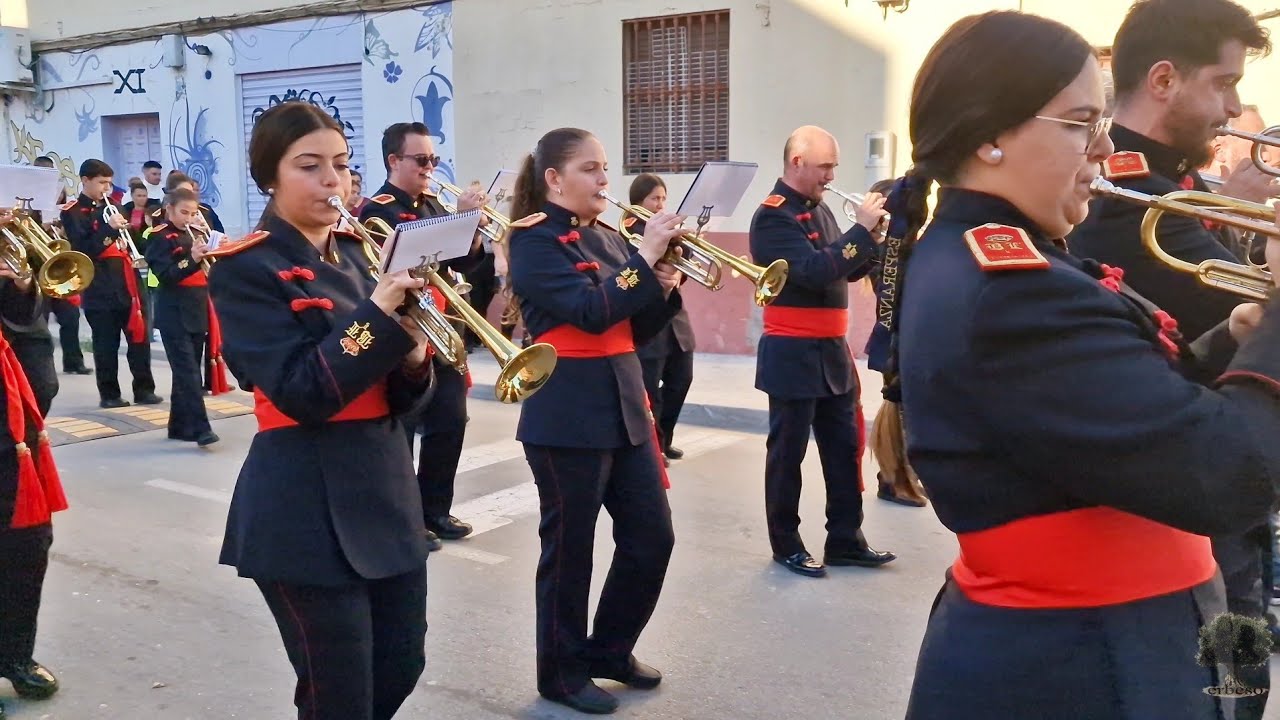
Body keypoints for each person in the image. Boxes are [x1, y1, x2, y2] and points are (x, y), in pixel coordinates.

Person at [886, 10, 1280, 719]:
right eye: (1079, 122)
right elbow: (1228, 478)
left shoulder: (1020, 264)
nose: (1103, 147)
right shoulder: (1012, 292)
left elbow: (1137, 395)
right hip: (1082, 662)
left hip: (1102, 642)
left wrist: (1238, 334)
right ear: (989, 135)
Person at [1067, 3, 1274, 713]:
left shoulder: (1174, 192)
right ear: (1163, 80)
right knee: (1232, 690)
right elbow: (1237, 322)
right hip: (1191, 500)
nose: (1236, 106)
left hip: (1207, 489)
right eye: (1223, 84)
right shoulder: (1132, 203)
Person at [208, 101, 436, 720]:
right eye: (309, 166)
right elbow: (302, 390)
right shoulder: (245, 268)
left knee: (401, 663)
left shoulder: (363, 255)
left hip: (384, 490)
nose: (331, 180)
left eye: (339, 164)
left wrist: (416, 355)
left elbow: (405, 397)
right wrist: (377, 318)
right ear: (269, 177)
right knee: (338, 693)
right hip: (304, 505)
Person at [507, 127, 683, 715]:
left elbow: (636, 326)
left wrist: (663, 285)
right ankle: (559, 672)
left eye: (605, 167)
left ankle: (609, 649)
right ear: (554, 179)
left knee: (651, 538)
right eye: (590, 169)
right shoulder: (533, 242)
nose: (604, 179)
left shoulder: (607, 238)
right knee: (571, 551)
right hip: (567, 413)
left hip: (626, 401)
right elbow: (588, 311)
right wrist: (645, 259)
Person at [747, 125, 895, 578]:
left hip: (831, 350)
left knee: (843, 448)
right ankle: (786, 543)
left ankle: (846, 539)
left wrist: (875, 243)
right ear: (797, 163)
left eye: (833, 165)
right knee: (787, 455)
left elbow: (843, 269)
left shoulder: (822, 210)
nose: (832, 175)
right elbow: (811, 271)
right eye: (825, 166)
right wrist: (861, 231)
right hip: (792, 349)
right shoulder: (773, 216)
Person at [360, 121, 485, 552]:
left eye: (434, 159)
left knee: (451, 421)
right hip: (405, 330)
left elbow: (464, 266)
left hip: (444, 325)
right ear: (394, 161)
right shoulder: (376, 211)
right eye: (421, 160)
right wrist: (459, 221)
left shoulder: (432, 204)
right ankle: (407, 518)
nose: (431, 168)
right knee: (406, 427)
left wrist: (469, 226)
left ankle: (436, 509)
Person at [0, 250, 68, 720]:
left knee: (28, 545)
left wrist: (23, 286)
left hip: (15, 423)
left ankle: (15, 657)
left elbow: (30, 328)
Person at [61, 159, 160, 409]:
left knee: (139, 340)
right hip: (99, 286)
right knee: (106, 344)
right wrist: (110, 228)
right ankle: (110, 394)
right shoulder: (72, 212)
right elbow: (84, 249)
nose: (107, 188)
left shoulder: (117, 207)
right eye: (101, 182)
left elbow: (134, 243)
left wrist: (143, 230)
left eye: (109, 182)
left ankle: (144, 389)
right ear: (85, 181)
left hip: (127, 282)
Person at [861, 177, 927, 508]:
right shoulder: (882, 250)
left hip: (910, 334)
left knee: (909, 413)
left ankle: (905, 475)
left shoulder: (902, 246)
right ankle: (891, 479)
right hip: (894, 335)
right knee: (898, 411)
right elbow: (889, 291)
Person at [624, 173, 695, 467]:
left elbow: (686, 260)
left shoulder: (667, 227)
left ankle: (665, 438)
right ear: (639, 200)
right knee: (650, 387)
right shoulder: (627, 229)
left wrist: (680, 267)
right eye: (655, 198)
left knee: (681, 379)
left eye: (663, 198)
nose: (660, 204)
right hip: (647, 319)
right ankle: (654, 447)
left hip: (675, 321)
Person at [142, 188, 219, 447]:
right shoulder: (159, 237)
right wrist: (193, 258)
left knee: (187, 371)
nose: (189, 217)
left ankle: (178, 426)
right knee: (188, 372)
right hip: (173, 311)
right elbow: (166, 274)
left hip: (197, 307)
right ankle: (201, 428)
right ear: (169, 210)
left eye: (193, 212)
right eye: (184, 212)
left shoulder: (198, 233)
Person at [32, 157, 89, 376]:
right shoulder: (26, 200)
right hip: (37, 268)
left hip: (59, 267)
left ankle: (73, 361)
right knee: (40, 322)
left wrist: (62, 229)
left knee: (70, 318)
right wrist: (41, 225)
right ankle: (42, 367)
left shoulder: (61, 194)